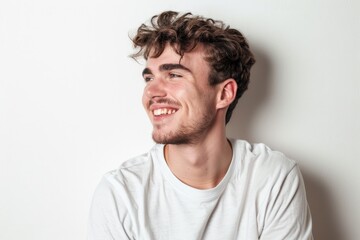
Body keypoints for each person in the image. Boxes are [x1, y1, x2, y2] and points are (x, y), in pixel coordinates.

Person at [87, 10, 313, 240]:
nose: (151, 92)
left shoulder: (272, 178)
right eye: (149, 78)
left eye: (174, 75)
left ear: (224, 94)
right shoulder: (120, 194)